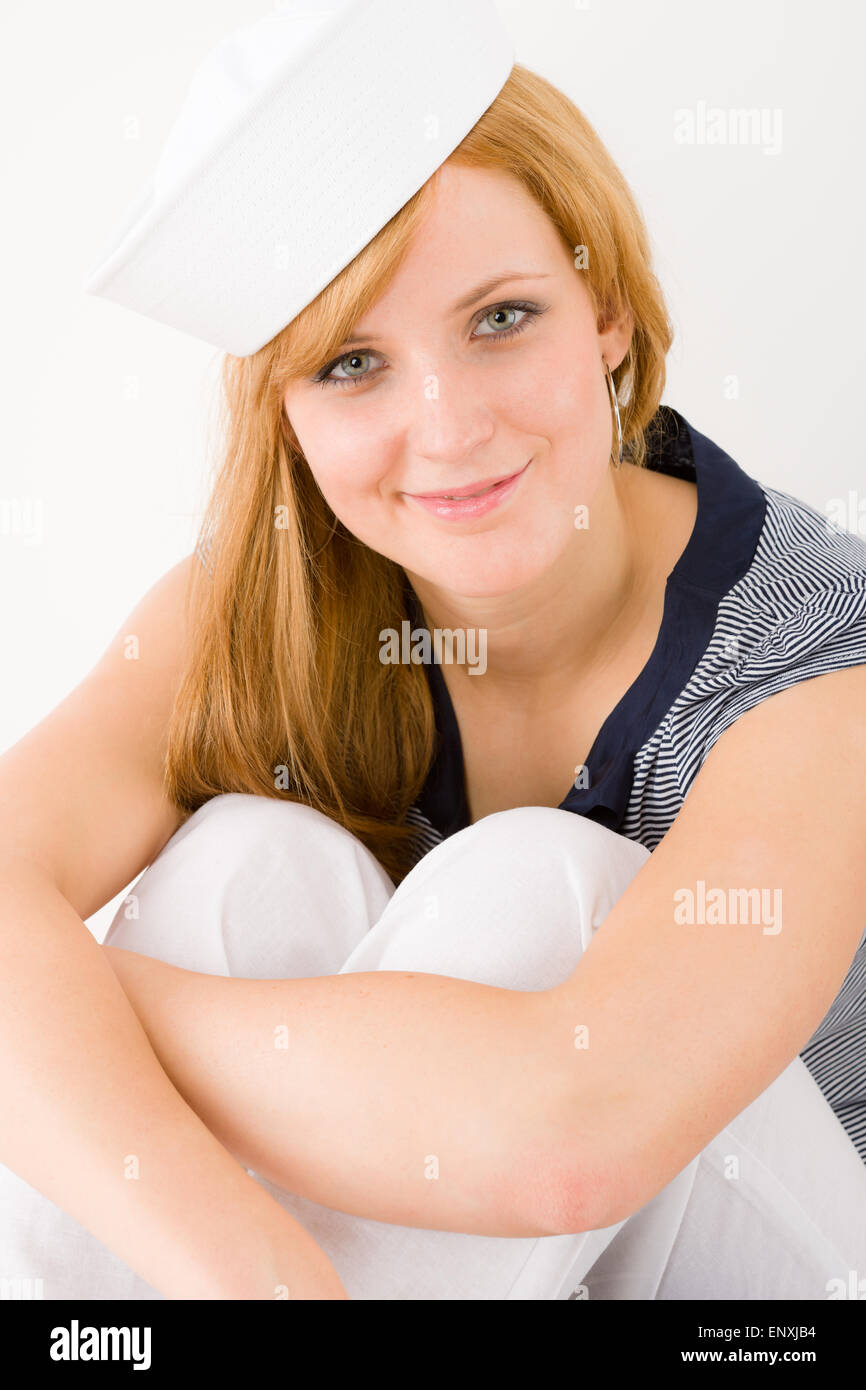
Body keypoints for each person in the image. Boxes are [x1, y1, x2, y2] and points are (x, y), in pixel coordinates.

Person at [1, 1, 865, 1301]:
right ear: (285, 415)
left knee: (542, 890)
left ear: (606, 311)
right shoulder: (260, 608)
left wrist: (82, 994)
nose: (449, 429)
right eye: (352, 363)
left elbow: (570, 1140)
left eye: (501, 318)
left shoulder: (817, 654)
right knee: (246, 866)